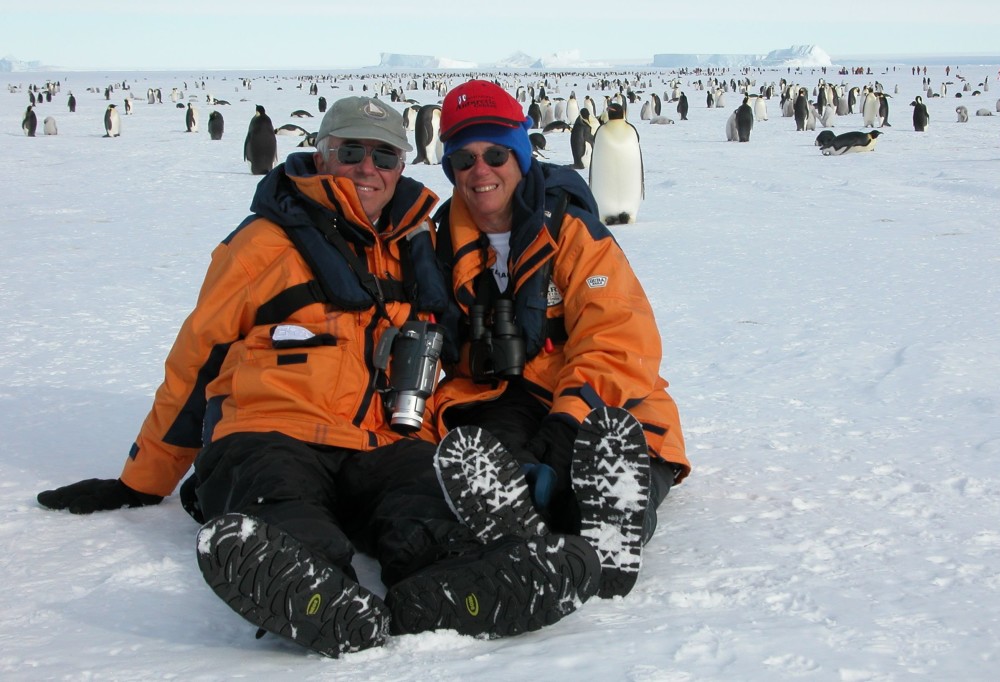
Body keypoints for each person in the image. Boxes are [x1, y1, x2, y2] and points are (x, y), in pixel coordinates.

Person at [36, 96, 601, 657]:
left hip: (381, 439)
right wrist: (143, 479)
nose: (367, 168)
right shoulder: (262, 243)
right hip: (271, 428)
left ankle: (453, 587)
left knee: (425, 505)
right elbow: (196, 361)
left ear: (402, 165)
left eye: (383, 156)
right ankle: (315, 596)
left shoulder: (416, 247)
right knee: (282, 507)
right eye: (350, 151)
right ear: (322, 152)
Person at [428, 80, 691, 599]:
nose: (481, 171)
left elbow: (617, 337)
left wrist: (569, 422)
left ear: (522, 154)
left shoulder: (571, 232)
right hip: (502, 397)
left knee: (624, 444)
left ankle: (613, 521)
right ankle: (532, 523)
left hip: (600, 392)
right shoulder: (438, 242)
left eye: (496, 153)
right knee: (497, 463)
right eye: (464, 160)